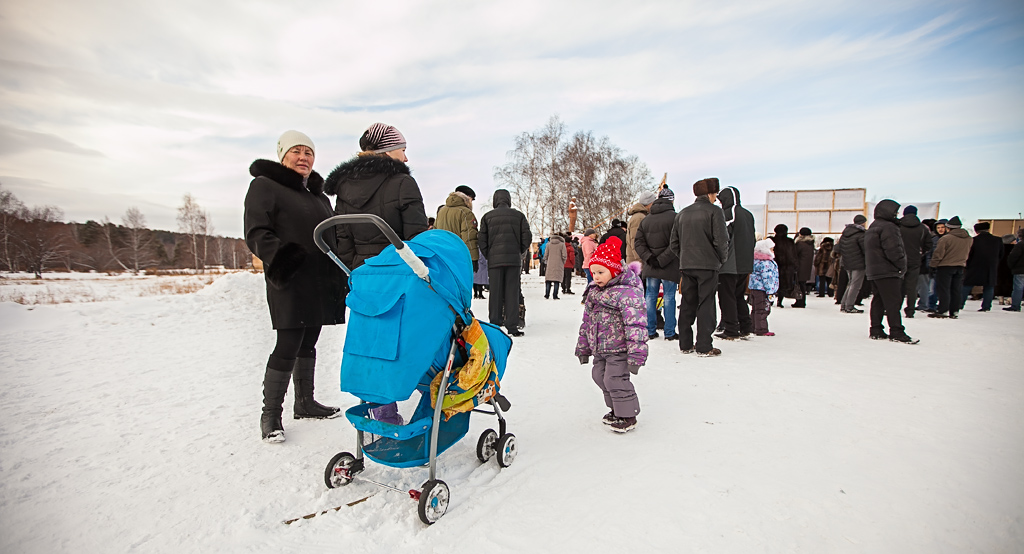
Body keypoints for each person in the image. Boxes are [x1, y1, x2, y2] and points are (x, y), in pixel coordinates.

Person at [244, 130, 346, 443]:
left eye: (308, 152)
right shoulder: (265, 185)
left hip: (319, 278)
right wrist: (286, 260)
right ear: (283, 155)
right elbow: (256, 231)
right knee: (288, 343)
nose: (303, 158)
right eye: (296, 151)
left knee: (308, 342)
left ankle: (305, 403)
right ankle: (271, 416)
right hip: (289, 278)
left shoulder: (317, 195)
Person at [323, 122, 429, 269]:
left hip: (362, 273)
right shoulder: (403, 183)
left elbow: (344, 242)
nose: (406, 158)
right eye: (403, 150)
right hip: (400, 273)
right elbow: (417, 238)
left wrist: (354, 274)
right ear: (388, 151)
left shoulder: (344, 186)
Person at [574, 236, 647, 433]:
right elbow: (587, 323)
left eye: (600, 272)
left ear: (614, 271)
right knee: (598, 376)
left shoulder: (627, 293)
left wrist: (636, 355)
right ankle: (616, 409)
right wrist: (583, 348)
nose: (595, 277)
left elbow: (636, 326)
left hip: (620, 348)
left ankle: (628, 414)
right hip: (600, 348)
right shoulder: (594, 292)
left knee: (614, 379)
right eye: (593, 272)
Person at [670, 178, 729, 357]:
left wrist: (686, 258)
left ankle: (685, 343)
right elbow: (721, 241)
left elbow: (674, 243)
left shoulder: (682, 213)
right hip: (708, 265)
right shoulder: (715, 212)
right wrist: (720, 259)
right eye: (715, 195)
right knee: (706, 303)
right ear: (711, 193)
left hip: (687, 265)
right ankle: (704, 345)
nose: (716, 198)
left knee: (688, 303)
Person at [479, 189, 532, 336]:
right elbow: (527, 237)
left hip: (495, 261)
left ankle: (495, 323)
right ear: (508, 199)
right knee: (512, 293)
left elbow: (481, 240)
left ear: (495, 200)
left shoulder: (487, 217)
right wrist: (518, 251)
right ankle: (512, 326)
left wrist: (489, 254)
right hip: (513, 261)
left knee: (495, 292)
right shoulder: (519, 216)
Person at [864, 199, 916, 343]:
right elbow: (894, 250)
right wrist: (901, 265)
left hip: (875, 270)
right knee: (893, 301)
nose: (897, 215)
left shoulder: (873, 227)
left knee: (879, 300)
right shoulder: (889, 227)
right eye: (895, 212)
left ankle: (876, 329)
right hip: (888, 269)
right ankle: (896, 331)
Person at [634, 186, 680, 340]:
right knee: (668, 297)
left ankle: (650, 330)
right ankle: (669, 332)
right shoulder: (676, 218)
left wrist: (650, 258)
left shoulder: (646, 220)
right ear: (671, 200)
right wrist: (663, 259)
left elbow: (638, 243)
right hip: (669, 265)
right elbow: (676, 243)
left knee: (650, 296)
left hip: (651, 265)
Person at [715, 185, 755, 339]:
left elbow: (723, 239)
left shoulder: (728, 214)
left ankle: (731, 329)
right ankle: (745, 326)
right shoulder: (748, 214)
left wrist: (719, 259)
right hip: (745, 264)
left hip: (730, 264)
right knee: (738, 296)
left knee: (727, 297)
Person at [928, 216, 971, 319]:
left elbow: (938, 254)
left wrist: (932, 265)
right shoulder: (968, 239)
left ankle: (943, 310)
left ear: (949, 228)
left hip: (945, 267)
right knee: (956, 290)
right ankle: (954, 311)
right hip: (960, 266)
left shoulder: (946, 239)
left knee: (944, 289)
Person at [434, 185, 479, 272]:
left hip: (442, 254)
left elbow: (435, 232)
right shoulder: (466, 213)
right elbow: (469, 237)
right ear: (467, 198)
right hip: (459, 256)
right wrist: (473, 258)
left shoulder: (442, 211)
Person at [898, 205, 933, 318]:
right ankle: (910, 311)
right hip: (915, 261)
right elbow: (929, 245)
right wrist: (920, 253)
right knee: (912, 287)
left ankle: (895, 308)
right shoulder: (922, 228)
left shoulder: (897, 225)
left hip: (898, 260)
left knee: (898, 286)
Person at [961, 221, 1004, 312]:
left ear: (976, 231)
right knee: (989, 286)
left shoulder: (974, 240)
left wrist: (967, 265)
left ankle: (959, 304)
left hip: (974, 266)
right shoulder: (997, 240)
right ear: (988, 229)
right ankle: (986, 306)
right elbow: (1001, 254)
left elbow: (969, 254)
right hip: (990, 267)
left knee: (966, 286)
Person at [837, 214, 868, 313]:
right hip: (858, 263)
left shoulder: (845, 233)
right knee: (855, 285)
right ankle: (849, 306)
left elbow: (838, 247)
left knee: (850, 284)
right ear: (862, 222)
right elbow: (865, 249)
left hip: (847, 262)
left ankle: (844, 304)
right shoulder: (861, 234)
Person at [749, 239, 780, 336]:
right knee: (762, 309)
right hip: (763, 289)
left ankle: (754, 326)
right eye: (771, 249)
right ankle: (761, 329)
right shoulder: (766, 263)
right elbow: (767, 278)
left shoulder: (756, 261)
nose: (773, 251)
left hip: (755, 288)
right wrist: (771, 291)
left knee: (756, 309)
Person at [626, 190, 657, 265]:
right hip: (638, 264)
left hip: (636, 262)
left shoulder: (639, 216)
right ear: (650, 203)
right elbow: (636, 242)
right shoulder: (639, 218)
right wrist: (644, 262)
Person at [770, 224, 797, 308]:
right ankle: (779, 301)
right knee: (783, 285)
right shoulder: (790, 241)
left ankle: (770, 301)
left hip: (773, 265)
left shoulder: (771, 240)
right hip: (787, 267)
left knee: (771, 284)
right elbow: (793, 255)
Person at [793, 227, 815, 307]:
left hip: (800, 266)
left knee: (799, 285)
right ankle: (801, 301)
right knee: (802, 284)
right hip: (806, 267)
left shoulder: (800, 244)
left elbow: (795, 254)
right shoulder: (810, 243)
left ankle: (800, 301)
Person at [1004, 228, 1024, 312]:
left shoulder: (1020, 245)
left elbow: (1013, 257)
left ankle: (1015, 305)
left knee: (1018, 288)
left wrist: (1011, 266)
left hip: (1020, 269)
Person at [542, 232, 567, 299]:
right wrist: (563, 262)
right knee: (557, 280)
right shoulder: (562, 245)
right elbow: (564, 255)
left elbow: (546, 255)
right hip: (559, 264)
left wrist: (546, 261)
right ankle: (555, 295)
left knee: (548, 280)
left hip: (550, 263)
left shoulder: (548, 244)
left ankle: (547, 294)